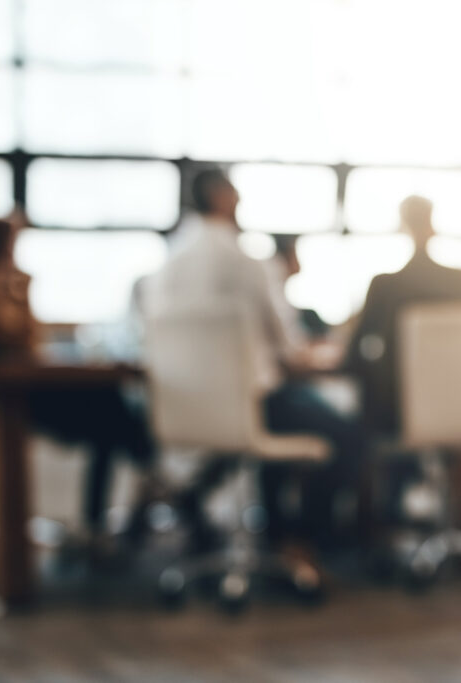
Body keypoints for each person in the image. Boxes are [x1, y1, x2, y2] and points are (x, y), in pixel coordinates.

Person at [146, 169, 365, 548]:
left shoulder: (165, 265)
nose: (240, 203)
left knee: (291, 413)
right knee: (351, 435)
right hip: (250, 404)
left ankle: (275, 532)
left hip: (183, 408)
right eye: (236, 194)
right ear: (220, 196)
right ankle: (303, 540)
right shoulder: (244, 261)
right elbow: (289, 352)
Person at [0, 217, 157, 538]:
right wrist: (17, 294)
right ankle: (150, 467)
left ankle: (100, 520)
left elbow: (30, 344)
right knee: (111, 413)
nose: (13, 254)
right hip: (8, 393)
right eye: (9, 246)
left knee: (108, 405)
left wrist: (21, 294)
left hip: (29, 386)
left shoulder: (12, 288)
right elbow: (3, 345)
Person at [344, 195, 461, 526]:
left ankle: (372, 529)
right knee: (460, 439)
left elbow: (355, 351)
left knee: (357, 422)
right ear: (432, 224)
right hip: (452, 406)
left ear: (403, 225)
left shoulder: (385, 284)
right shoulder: (459, 280)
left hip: (396, 410)